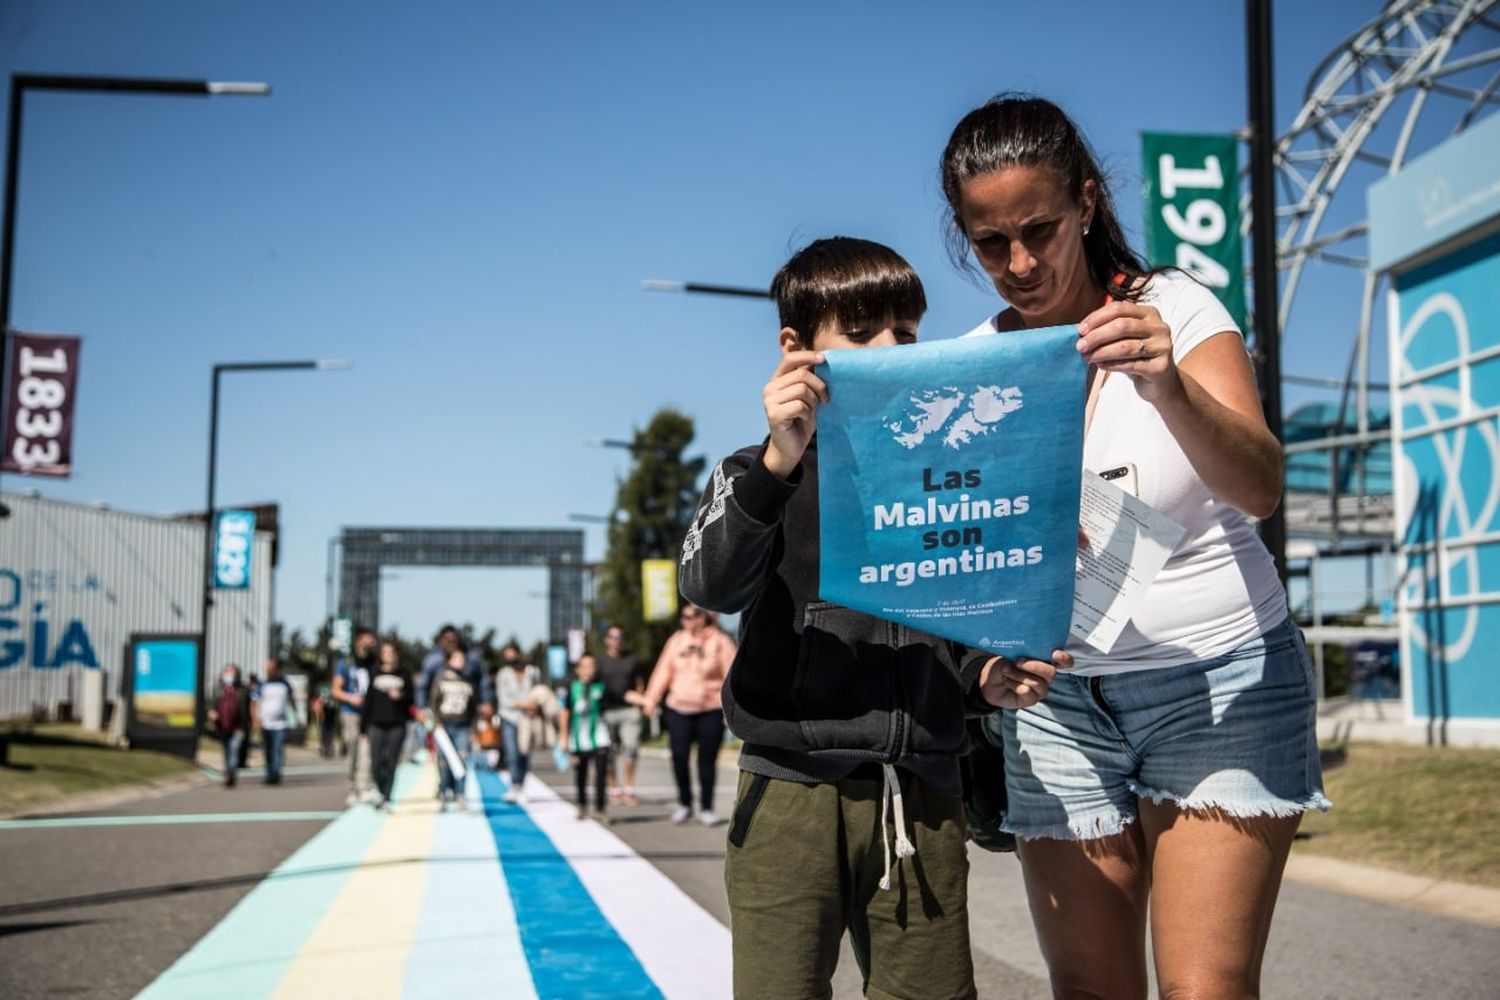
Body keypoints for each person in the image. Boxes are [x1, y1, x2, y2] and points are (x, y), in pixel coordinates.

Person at [940, 94, 1328, 1000]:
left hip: (1217, 674)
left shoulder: (1176, 308)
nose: (1021, 263)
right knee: (1089, 989)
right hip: (1058, 705)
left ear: (1084, 202)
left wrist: (1170, 391)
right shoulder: (972, 367)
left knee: (1204, 989)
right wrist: (984, 660)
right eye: (991, 243)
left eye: (1040, 228)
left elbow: (1262, 486)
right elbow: (963, 558)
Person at [679, 236, 1066, 1000]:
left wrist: (985, 673)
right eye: (860, 335)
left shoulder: (947, 476)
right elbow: (710, 584)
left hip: (923, 794)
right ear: (797, 349)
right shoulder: (751, 476)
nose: (890, 351)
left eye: (907, 335)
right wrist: (778, 465)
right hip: (790, 791)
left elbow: (955, 615)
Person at [640, 605, 735, 827]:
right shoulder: (677, 640)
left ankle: (707, 808)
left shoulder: (720, 641)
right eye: (683, 617)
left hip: (709, 709)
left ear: (703, 618)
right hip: (678, 707)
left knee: (707, 761)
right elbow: (664, 670)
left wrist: (731, 711)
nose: (685, 621)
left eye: (690, 617)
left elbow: (731, 676)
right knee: (679, 756)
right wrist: (651, 698)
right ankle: (684, 803)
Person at [557, 653, 611, 823]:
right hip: (578, 738)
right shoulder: (571, 687)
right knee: (581, 773)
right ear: (578, 669)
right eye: (585, 666)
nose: (589, 670)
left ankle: (601, 808)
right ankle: (581, 804)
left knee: (601, 773)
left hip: (599, 736)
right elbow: (564, 712)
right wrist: (564, 736)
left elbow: (618, 701)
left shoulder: (602, 687)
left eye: (592, 666)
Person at [361, 639, 414, 811]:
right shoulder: (374, 673)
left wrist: (401, 697)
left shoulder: (405, 674)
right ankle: (380, 788)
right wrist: (364, 726)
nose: (389, 656)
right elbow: (368, 701)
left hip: (397, 724)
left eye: (391, 652)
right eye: (385, 653)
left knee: (391, 761)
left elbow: (411, 701)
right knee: (376, 762)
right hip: (376, 724)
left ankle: (387, 796)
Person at [596, 625, 645, 805]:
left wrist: (640, 703)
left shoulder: (631, 659)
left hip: (629, 710)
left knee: (631, 747)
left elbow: (639, 683)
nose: (616, 640)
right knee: (609, 752)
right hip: (607, 711)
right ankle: (614, 788)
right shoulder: (599, 661)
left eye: (620, 636)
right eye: (613, 636)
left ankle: (629, 787)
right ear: (606, 640)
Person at [427, 643, 479, 810]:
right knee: (443, 761)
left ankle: (461, 795)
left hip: (462, 725)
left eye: (462, 658)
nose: (460, 661)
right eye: (456, 658)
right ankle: (443, 792)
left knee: (462, 760)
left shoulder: (468, 681)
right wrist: (437, 724)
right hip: (444, 725)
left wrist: (473, 728)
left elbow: (473, 708)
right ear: (449, 661)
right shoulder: (441, 680)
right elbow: (433, 703)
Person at [496, 642, 544, 803]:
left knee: (524, 753)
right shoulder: (503, 674)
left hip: (527, 718)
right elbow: (503, 698)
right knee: (511, 753)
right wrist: (523, 704)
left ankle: (521, 785)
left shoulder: (533, 672)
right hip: (509, 716)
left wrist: (534, 706)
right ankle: (514, 785)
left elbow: (539, 691)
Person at [332, 626, 376, 805]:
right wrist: (350, 698)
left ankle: (363, 786)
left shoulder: (374, 662)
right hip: (350, 712)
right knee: (353, 750)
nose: (371, 642)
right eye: (367, 638)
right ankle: (352, 787)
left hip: (370, 713)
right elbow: (335, 690)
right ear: (358, 640)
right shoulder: (347, 663)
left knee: (367, 750)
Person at [207, 663, 251, 788]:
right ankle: (229, 770)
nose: (229, 675)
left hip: (239, 726)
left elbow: (250, 707)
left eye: (232, 672)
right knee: (226, 750)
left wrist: (252, 721)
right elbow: (212, 705)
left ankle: (231, 772)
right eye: (227, 672)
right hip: (222, 725)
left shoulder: (243, 690)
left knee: (233, 748)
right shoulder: (218, 690)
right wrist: (212, 713)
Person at [252, 659, 295, 785]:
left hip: (280, 724)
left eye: (271, 668)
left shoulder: (285, 683)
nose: (269, 670)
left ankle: (275, 774)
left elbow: (292, 700)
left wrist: (295, 716)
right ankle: (269, 773)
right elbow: (254, 702)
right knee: (268, 750)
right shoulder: (262, 684)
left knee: (278, 749)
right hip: (265, 723)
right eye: (267, 668)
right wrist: (255, 719)